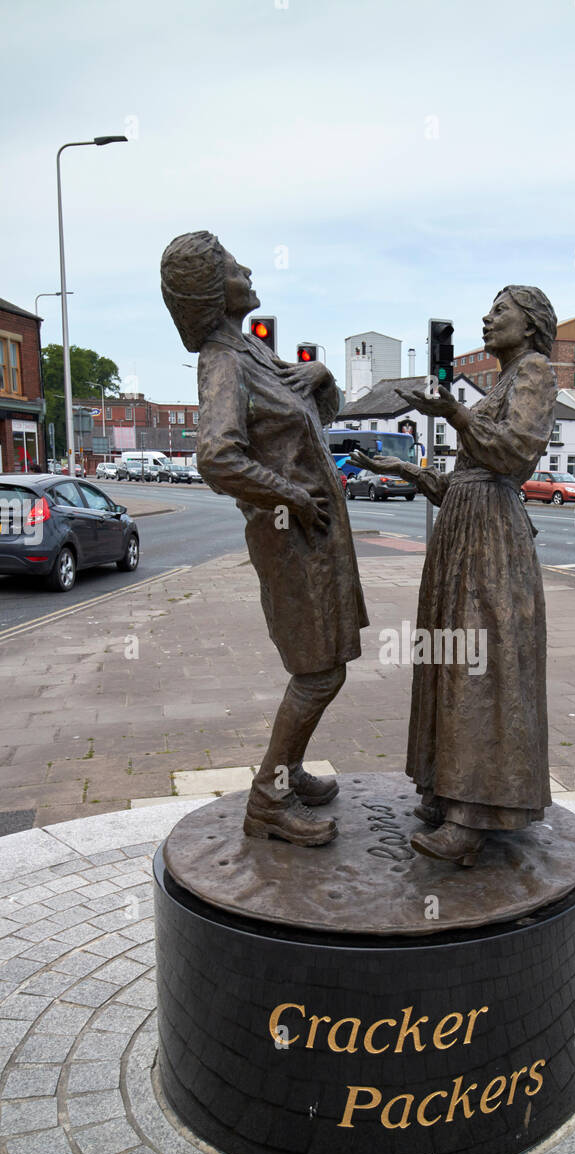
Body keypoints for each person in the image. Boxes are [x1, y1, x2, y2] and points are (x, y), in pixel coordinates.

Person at [161, 231, 368, 846]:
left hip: (316, 534)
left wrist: (322, 377)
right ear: (211, 290)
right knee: (318, 672)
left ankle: (288, 771)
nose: (246, 269)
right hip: (290, 536)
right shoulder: (223, 361)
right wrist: (291, 496)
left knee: (325, 662)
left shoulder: (253, 352)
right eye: (231, 265)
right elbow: (216, 458)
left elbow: (313, 422)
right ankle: (268, 801)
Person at [351, 285, 557, 867]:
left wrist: (455, 413)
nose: (487, 320)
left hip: (491, 537)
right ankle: (447, 789)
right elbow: (461, 482)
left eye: (500, 311)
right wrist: (404, 469)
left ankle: (475, 814)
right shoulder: (503, 380)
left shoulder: (535, 372)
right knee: (450, 656)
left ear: (531, 324)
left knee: (478, 665)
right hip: (464, 527)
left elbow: (514, 455)